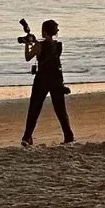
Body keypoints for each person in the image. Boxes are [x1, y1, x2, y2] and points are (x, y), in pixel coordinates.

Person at [21, 18, 74, 147]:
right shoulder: (58, 45)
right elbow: (49, 53)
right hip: (56, 80)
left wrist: (28, 44)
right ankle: (68, 136)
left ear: (44, 31)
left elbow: (28, 57)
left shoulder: (39, 45)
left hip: (42, 80)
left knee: (34, 108)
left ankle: (27, 137)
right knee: (60, 110)